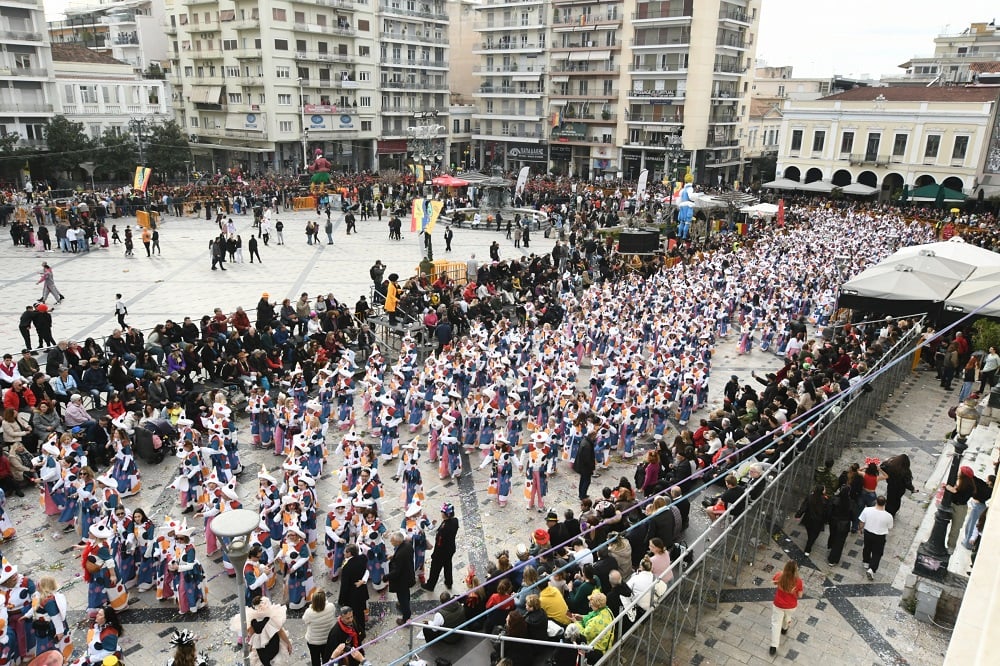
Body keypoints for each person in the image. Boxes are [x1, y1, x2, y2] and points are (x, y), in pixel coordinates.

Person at [240, 596, 291, 666]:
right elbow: (281, 632)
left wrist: (251, 647)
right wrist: (288, 643)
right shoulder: (270, 619)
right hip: (273, 646)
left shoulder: (253, 621)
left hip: (261, 650)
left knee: (265, 662)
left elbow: (251, 635)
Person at [769, 560, 803, 656]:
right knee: (787, 617)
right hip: (791, 606)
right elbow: (800, 595)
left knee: (776, 623)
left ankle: (774, 646)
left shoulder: (780, 575)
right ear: (795, 570)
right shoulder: (798, 581)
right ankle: (785, 628)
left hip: (778, 604)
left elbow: (774, 583)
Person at [423, 502, 459, 592]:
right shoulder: (455, 521)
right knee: (448, 565)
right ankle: (449, 582)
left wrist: (434, 555)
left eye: (442, 512)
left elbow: (439, 544)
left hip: (441, 552)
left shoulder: (444, 528)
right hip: (450, 549)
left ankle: (430, 585)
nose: (441, 513)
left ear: (446, 514)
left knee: (435, 569)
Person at [337, 544, 370, 638]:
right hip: (362, 591)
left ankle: (358, 633)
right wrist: (363, 580)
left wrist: (341, 600)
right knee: (360, 613)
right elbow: (366, 570)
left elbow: (345, 586)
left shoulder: (347, 568)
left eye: (345, 552)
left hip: (352, 595)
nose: (344, 553)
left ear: (349, 553)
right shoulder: (363, 558)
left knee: (355, 615)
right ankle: (362, 630)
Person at [858, 495, 894, 580]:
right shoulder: (888, 516)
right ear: (885, 504)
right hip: (880, 536)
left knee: (867, 547)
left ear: (876, 502)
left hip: (868, 533)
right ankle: (872, 569)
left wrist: (860, 529)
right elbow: (890, 527)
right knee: (877, 553)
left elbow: (862, 521)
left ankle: (866, 562)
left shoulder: (867, 510)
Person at [387, 531, 416, 625]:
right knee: (406, 593)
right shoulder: (408, 545)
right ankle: (403, 603)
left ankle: (406, 617)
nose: (391, 543)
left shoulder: (400, 554)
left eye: (392, 541)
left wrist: (386, 577)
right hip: (408, 575)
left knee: (402, 597)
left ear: (398, 542)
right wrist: (394, 556)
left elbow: (396, 571)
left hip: (401, 580)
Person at [302, 589, 337, 666]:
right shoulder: (331, 607)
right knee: (327, 659)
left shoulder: (309, 612)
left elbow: (305, 621)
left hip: (313, 641)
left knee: (315, 660)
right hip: (328, 640)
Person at [795, 484, 829, 556]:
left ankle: (809, 543)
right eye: (824, 489)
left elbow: (803, 507)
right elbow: (826, 512)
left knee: (810, 533)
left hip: (808, 519)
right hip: (818, 522)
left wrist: (798, 515)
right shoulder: (825, 500)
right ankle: (808, 549)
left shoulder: (810, 497)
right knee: (814, 535)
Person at [573, 431, 596, 500]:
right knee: (586, 481)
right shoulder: (587, 445)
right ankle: (583, 495)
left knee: (582, 480)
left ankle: (581, 494)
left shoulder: (584, 441)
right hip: (585, 467)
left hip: (581, 466)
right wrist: (592, 467)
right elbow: (587, 459)